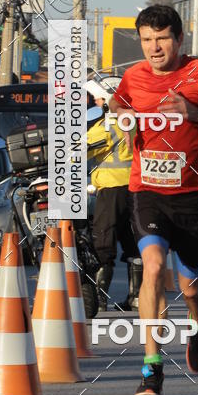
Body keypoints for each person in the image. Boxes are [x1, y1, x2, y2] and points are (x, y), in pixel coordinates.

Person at [109, 5, 198, 395]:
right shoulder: (132, 76)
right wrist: (123, 115)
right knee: (151, 268)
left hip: (191, 195)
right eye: (147, 39)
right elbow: (119, 105)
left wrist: (197, 114)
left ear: (179, 39)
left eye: (162, 39)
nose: (154, 48)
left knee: (190, 289)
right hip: (146, 191)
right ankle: (152, 368)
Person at [85, 79, 141, 313]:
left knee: (103, 241)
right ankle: (136, 298)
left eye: (99, 100)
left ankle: (100, 299)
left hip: (111, 190)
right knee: (134, 243)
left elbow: (78, 150)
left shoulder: (107, 126)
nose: (97, 104)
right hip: (137, 188)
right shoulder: (136, 122)